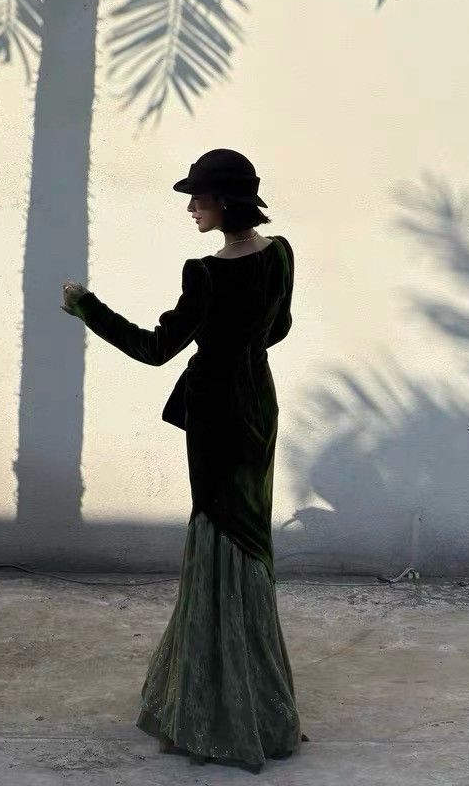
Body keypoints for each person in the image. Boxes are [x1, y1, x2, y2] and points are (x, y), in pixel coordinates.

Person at [61, 149, 305, 773]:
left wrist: (87, 307)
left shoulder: (205, 273)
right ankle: (259, 698)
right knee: (248, 536)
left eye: (197, 197)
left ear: (223, 201)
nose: (191, 207)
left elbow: (155, 349)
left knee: (218, 527)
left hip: (219, 417)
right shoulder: (281, 254)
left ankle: (216, 707)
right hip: (258, 407)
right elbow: (278, 329)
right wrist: (239, 344)